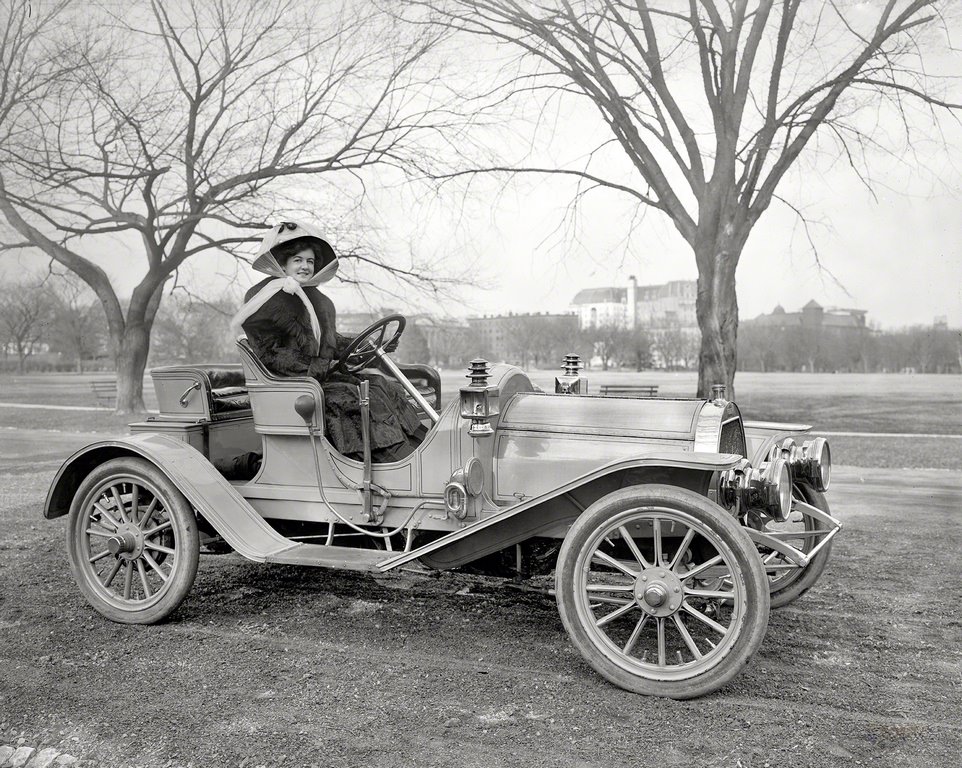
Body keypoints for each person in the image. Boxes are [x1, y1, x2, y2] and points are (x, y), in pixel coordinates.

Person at [231, 221, 421, 462]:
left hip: (319, 376)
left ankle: (409, 452)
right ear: (284, 263)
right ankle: (375, 463)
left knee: (381, 385)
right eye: (298, 260)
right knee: (348, 396)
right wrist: (317, 366)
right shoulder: (264, 299)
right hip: (292, 382)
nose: (305, 266)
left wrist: (370, 344)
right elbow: (270, 352)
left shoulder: (317, 300)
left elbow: (330, 342)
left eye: (310, 261)